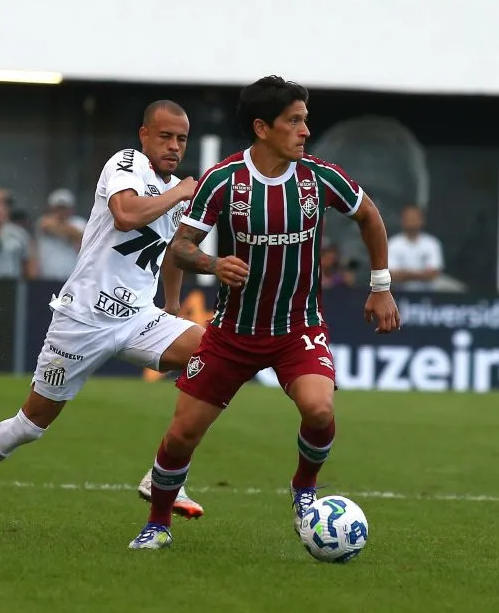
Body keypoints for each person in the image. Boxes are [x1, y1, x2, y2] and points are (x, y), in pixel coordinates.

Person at [128, 76, 400, 550]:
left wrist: (381, 287)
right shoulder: (223, 180)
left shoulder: (319, 176)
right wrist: (213, 264)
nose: (305, 131)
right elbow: (181, 247)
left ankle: (304, 490)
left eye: (305, 120)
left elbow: (369, 215)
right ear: (262, 127)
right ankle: (158, 524)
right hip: (233, 333)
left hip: (298, 328)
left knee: (319, 409)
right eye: (293, 121)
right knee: (182, 434)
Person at [0, 100, 209, 530]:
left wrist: (174, 302)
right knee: (30, 425)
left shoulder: (176, 192)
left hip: (138, 318)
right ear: (144, 135)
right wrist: (178, 193)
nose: (174, 146)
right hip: (83, 319)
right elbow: (125, 216)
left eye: (181, 139)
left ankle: (165, 474)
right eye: (165, 136)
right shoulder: (126, 164)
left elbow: (176, 249)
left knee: (216, 356)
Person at [388, 205, 444, 291]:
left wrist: (405, 274)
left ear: (422, 220)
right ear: (402, 221)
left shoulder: (432, 243)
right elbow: (391, 275)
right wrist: (421, 274)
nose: (412, 221)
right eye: (409, 218)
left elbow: (433, 274)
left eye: (415, 218)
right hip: (399, 293)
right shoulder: (393, 243)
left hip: (428, 293)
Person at [36, 189, 87, 280]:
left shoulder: (79, 222)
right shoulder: (43, 221)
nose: (62, 211)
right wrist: (68, 232)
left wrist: (61, 229)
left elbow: (81, 236)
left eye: (65, 208)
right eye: (59, 208)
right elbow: (46, 226)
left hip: (72, 276)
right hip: (46, 276)